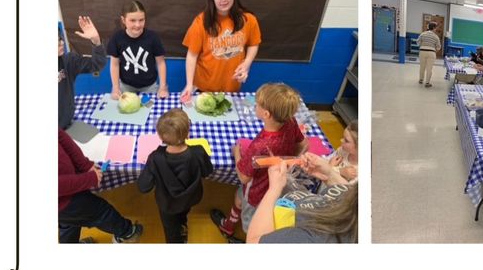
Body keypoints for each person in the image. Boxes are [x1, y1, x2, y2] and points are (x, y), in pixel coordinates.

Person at [212, 82, 307, 242]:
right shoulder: (291, 122)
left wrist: (237, 153)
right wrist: (287, 161)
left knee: (252, 225)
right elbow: (304, 144)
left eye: (257, 105)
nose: (255, 106)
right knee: (239, 197)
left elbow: (244, 178)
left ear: (266, 114)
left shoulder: (260, 145)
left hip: (257, 191)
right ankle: (228, 226)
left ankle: (250, 239)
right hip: (278, 181)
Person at [180, 0, 262, 103]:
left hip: (232, 88)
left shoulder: (249, 19)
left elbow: (254, 43)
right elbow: (191, 55)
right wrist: (189, 84)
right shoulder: (201, 22)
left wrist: (246, 64)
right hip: (204, 89)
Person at [137, 109, 214, 243]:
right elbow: (207, 171)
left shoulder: (155, 157)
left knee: (171, 229)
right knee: (182, 214)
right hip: (190, 198)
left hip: (167, 204)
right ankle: (182, 226)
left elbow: (143, 187)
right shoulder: (198, 152)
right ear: (188, 134)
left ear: (160, 137)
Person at [59, 129, 143, 243]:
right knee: (101, 212)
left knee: (69, 222)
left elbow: (60, 135)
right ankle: (127, 233)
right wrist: (89, 178)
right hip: (64, 201)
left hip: (71, 185)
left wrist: (85, 165)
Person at [247, 163, 358, 244]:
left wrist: (274, 188)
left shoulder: (314, 238)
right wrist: (330, 174)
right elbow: (349, 192)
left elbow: (254, 242)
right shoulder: (354, 198)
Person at [103, 0, 169, 99]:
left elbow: (160, 63)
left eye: (141, 20)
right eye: (132, 20)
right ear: (123, 20)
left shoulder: (153, 37)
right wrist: (116, 87)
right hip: (125, 86)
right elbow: (114, 64)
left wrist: (163, 87)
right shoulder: (117, 38)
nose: (137, 25)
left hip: (150, 86)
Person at [58, 16, 106, 129]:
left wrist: (96, 41)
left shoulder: (69, 60)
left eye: (60, 38)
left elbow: (96, 64)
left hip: (67, 125)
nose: (61, 42)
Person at [416, 22, 442, 88]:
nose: (436, 29)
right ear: (433, 28)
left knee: (422, 67)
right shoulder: (436, 37)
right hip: (431, 52)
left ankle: (421, 80)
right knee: (429, 68)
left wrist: (422, 46)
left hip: (422, 51)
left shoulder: (423, 34)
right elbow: (438, 47)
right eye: (436, 27)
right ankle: (427, 83)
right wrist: (434, 51)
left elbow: (418, 42)